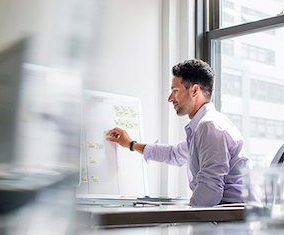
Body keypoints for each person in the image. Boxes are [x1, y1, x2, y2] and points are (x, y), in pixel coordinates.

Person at [107, 59, 250, 207]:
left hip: (230, 219)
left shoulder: (209, 126)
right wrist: (131, 144)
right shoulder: (203, 127)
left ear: (194, 90)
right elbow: (174, 154)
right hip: (225, 215)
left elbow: (210, 191)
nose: (170, 98)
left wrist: (182, 219)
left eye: (175, 91)